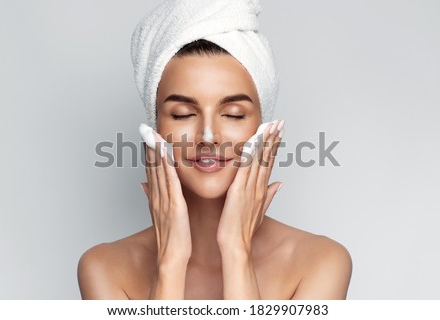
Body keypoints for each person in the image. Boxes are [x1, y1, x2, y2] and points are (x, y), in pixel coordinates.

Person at [78, 0, 352, 300]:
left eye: (233, 114)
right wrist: (170, 263)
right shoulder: (105, 267)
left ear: (263, 129)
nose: (208, 137)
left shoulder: (320, 263)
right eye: (182, 113)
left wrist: (236, 251)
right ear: (156, 131)